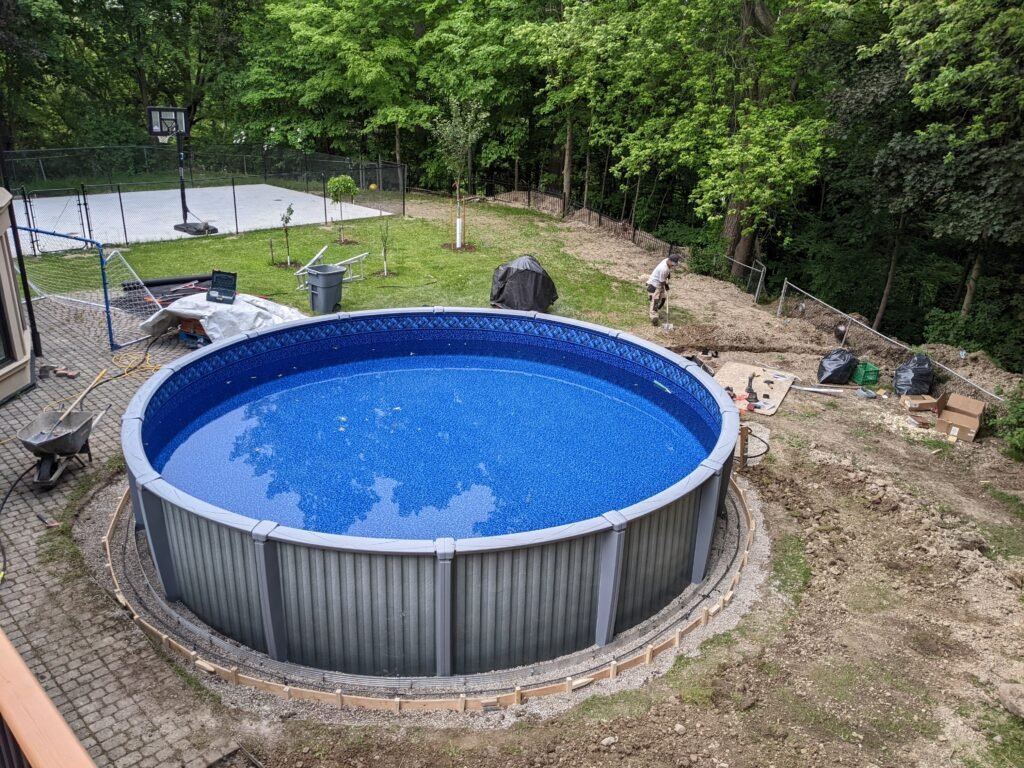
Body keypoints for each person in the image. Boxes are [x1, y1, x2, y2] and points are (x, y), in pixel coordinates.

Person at [646, 253, 680, 325]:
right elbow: (662, 281)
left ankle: (656, 308)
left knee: (663, 298)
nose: (673, 266)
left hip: (659, 284)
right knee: (655, 301)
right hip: (654, 285)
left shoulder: (666, 260)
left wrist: (668, 275)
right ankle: (654, 317)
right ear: (669, 261)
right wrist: (666, 286)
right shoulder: (663, 269)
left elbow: (665, 275)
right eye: (672, 264)